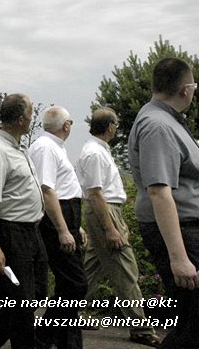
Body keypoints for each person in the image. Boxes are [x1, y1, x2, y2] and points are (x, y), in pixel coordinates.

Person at [75, 106, 161, 347]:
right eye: (116, 124)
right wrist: (112, 228)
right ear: (110, 126)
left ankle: (69, 314)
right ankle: (141, 328)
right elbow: (95, 193)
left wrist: (117, 223)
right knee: (126, 269)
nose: (117, 128)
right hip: (104, 210)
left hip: (108, 210)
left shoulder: (98, 150)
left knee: (92, 269)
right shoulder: (94, 152)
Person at [130, 56, 199, 347]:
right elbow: (159, 192)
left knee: (192, 323)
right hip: (180, 232)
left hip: (184, 228)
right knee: (193, 325)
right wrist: (179, 258)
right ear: (185, 89)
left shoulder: (167, 121)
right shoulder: (158, 126)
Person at [0, 94, 47, 349]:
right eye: (30, 114)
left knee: (35, 294)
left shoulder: (18, 148)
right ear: (20, 119)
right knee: (21, 304)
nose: (32, 119)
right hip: (11, 236)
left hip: (31, 233)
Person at [29, 106, 87, 349]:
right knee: (76, 283)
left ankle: (65, 341)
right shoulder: (45, 148)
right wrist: (63, 229)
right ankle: (43, 336)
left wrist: (76, 226)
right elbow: (47, 190)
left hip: (67, 217)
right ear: (66, 126)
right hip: (56, 221)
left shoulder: (54, 147)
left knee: (67, 283)